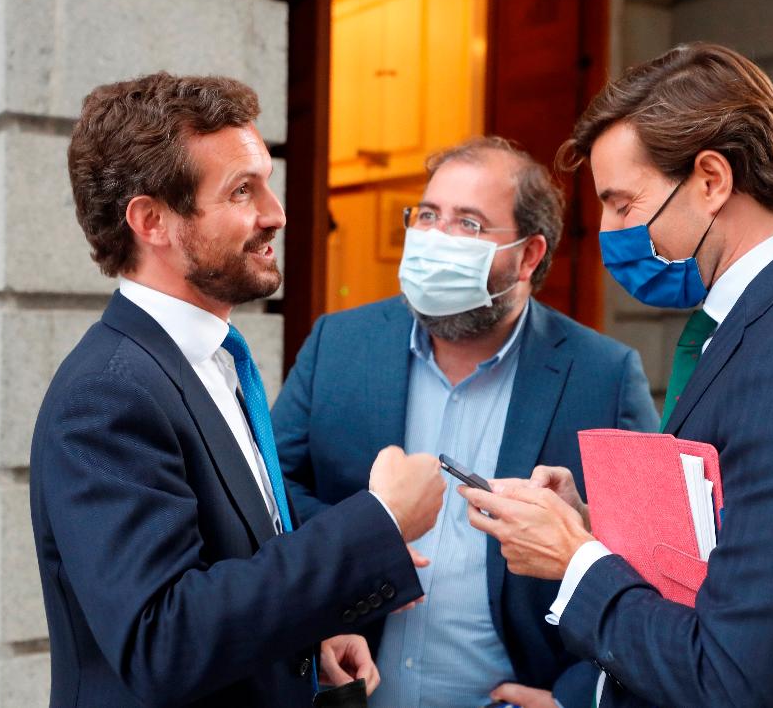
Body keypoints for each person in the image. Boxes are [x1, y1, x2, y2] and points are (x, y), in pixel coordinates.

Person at [460, 43, 773, 707]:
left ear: (710, 181)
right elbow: (734, 558)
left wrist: (574, 561)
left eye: (623, 203)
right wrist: (593, 524)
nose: (608, 233)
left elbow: (738, 682)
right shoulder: (764, 324)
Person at [30, 72, 446, 707]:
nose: (275, 213)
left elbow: (235, 564)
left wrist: (312, 629)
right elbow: (160, 640)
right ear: (152, 221)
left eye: (266, 184)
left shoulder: (212, 359)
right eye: (242, 191)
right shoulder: (108, 393)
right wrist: (378, 522)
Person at [273, 137, 659, 708]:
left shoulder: (602, 376)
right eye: (427, 215)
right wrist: (341, 576)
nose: (435, 238)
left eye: (469, 224)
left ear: (529, 256)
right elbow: (271, 493)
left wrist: (577, 698)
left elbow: (648, 563)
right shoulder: (339, 344)